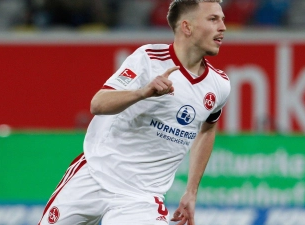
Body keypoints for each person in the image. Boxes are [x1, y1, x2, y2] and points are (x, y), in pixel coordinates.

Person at [38, 0, 230, 224]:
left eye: (223, 19)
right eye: (213, 19)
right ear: (187, 27)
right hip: (94, 176)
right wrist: (143, 93)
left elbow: (208, 129)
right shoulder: (148, 58)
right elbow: (98, 104)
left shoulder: (219, 85)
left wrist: (191, 191)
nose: (223, 27)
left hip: (141, 199)